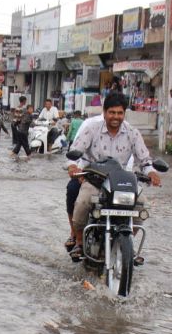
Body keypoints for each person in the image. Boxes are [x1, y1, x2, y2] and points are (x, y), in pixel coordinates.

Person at [67, 92, 161, 259]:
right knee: (81, 203)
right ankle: (80, 243)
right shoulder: (91, 130)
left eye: (119, 113)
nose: (115, 117)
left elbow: (145, 160)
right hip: (95, 181)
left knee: (142, 207)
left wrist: (152, 172)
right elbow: (75, 152)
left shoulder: (132, 133)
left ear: (124, 114)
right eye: (112, 112)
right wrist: (73, 166)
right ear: (104, 112)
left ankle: (126, 244)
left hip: (121, 183)